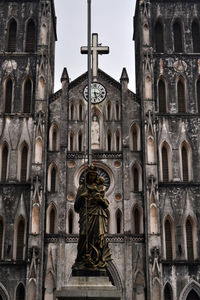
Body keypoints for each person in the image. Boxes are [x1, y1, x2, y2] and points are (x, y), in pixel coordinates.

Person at [72, 165, 111, 272]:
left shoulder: (100, 188)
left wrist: (100, 200)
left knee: (98, 238)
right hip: (86, 215)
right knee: (84, 235)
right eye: (90, 175)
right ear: (87, 176)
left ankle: (97, 261)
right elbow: (76, 207)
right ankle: (81, 260)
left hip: (98, 215)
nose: (92, 178)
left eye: (94, 176)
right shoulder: (82, 188)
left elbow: (106, 204)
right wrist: (81, 197)